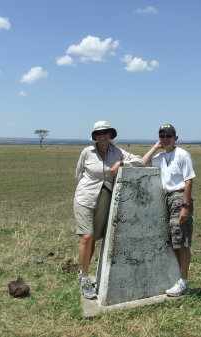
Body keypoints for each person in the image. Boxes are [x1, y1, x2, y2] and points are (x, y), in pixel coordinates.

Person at [74, 121, 144, 299]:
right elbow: (79, 173)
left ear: (111, 134)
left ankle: (83, 271)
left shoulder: (118, 152)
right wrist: (84, 189)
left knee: (95, 238)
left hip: (105, 197)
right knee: (86, 236)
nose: (103, 135)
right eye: (99, 133)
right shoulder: (87, 152)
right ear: (94, 136)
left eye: (106, 132)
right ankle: (84, 279)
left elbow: (140, 161)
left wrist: (121, 163)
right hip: (85, 196)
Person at [143, 124, 196, 296]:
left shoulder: (182, 155)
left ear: (175, 138)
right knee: (173, 239)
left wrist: (185, 207)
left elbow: (188, 181)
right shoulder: (161, 156)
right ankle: (175, 278)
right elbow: (144, 163)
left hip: (179, 198)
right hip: (166, 199)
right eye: (162, 135)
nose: (165, 138)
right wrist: (155, 146)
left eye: (168, 136)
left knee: (181, 240)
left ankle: (183, 281)